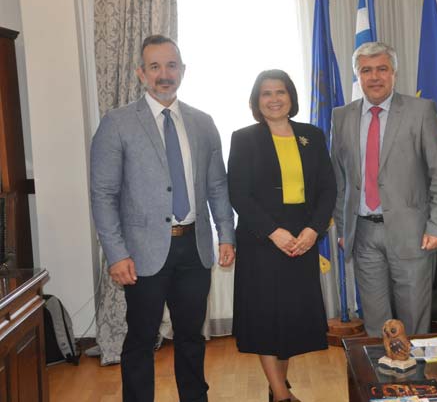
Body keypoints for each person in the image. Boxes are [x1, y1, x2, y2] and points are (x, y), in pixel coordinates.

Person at [90, 35, 236, 402]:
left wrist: (226, 234)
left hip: (195, 250)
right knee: (141, 339)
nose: (164, 74)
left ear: (182, 70)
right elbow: (103, 195)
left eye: (171, 65)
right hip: (142, 254)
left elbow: (217, 185)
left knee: (191, 337)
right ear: (141, 73)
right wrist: (117, 254)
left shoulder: (203, 123)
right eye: (154, 66)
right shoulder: (117, 123)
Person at [330, 41, 437, 337]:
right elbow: (339, 178)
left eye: (382, 69)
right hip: (363, 233)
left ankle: (416, 367)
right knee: (376, 322)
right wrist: (344, 228)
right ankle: (380, 368)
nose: (374, 77)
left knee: (413, 321)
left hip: (413, 233)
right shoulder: (341, 116)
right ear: (358, 76)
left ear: (394, 73)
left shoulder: (420, 111)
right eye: (366, 70)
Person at [227, 69, 336, 402]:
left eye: (280, 92)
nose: (274, 99)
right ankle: (281, 395)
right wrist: (273, 232)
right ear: (256, 101)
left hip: (303, 238)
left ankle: (278, 390)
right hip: (262, 239)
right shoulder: (244, 138)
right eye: (266, 93)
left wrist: (313, 230)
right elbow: (238, 194)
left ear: (291, 97)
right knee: (265, 319)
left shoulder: (312, 135)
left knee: (289, 320)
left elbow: (328, 188)